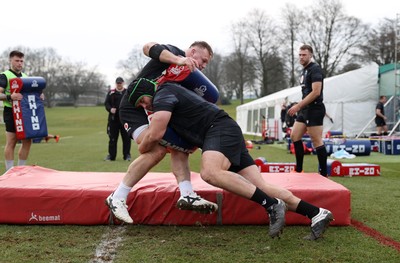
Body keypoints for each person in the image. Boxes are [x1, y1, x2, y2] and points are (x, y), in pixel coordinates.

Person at [129, 69, 334, 240]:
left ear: (149, 92)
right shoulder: (167, 94)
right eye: (141, 106)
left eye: (143, 101)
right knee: (262, 186)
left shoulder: (162, 94)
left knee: (210, 173)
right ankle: (316, 213)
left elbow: (155, 134)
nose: (145, 107)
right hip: (224, 130)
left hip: (218, 129)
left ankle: (272, 205)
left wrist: (141, 146)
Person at [105, 42, 219, 219]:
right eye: (203, 60)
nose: (204, 65)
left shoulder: (192, 77)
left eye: (207, 63)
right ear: (193, 51)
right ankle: (117, 197)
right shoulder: (175, 54)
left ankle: (187, 194)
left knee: (181, 145)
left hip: (158, 107)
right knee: (156, 150)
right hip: (134, 105)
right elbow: (147, 47)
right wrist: (178, 60)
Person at [288, 45, 328, 177]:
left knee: (316, 140)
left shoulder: (315, 69)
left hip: (315, 108)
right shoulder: (303, 71)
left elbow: (316, 92)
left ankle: (324, 173)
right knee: (295, 136)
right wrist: (300, 107)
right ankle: (299, 170)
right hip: (305, 109)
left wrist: (298, 106)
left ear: (310, 55)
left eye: (304, 55)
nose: (301, 57)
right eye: (299, 55)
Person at [0, 50, 32, 171]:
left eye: (21, 61)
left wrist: (39, 96)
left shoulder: (26, 77)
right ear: (10, 61)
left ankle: (21, 171)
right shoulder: (5, 76)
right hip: (11, 112)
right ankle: (9, 172)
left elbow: (29, 94)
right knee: (12, 141)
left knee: (28, 141)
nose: (19, 63)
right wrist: (10, 97)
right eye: (17, 60)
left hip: (24, 112)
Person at [104, 77, 131, 161]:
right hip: (113, 120)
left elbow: (131, 103)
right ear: (116, 84)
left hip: (124, 119)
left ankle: (127, 155)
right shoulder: (111, 93)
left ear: (123, 83)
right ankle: (111, 156)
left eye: (120, 83)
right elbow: (106, 104)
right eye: (118, 83)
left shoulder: (127, 92)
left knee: (126, 139)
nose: (119, 85)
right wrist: (110, 109)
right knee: (112, 139)